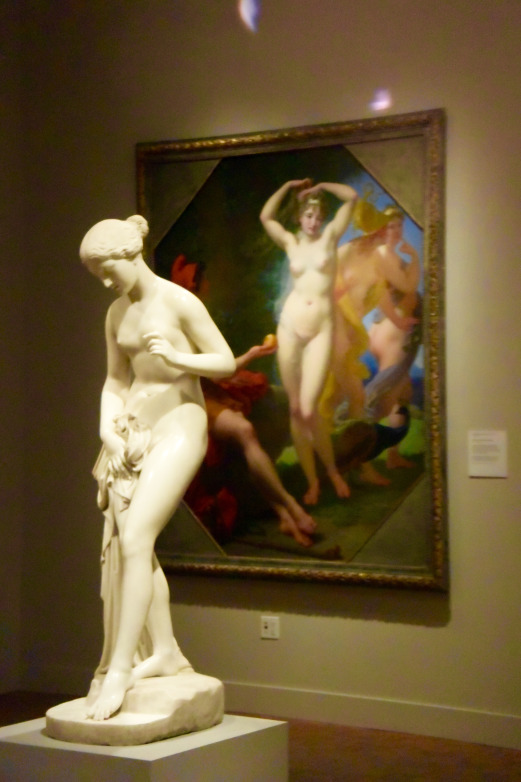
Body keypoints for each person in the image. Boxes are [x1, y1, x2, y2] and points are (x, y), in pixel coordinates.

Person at [80, 215, 236, 721]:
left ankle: (120, 670)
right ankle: (165, 650)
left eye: (108, 270)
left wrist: (177, 357)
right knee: (134, 548)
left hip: (179, 425)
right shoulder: (115, 314)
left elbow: (225, 361)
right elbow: (114, 381)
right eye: (98, 275)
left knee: (135, 539)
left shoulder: (178, 301)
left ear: (129, 254)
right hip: (131, 433)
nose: (106, 282)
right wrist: (107, 430)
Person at [170, 254, 316, 546]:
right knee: (244, 430)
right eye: (205, 280)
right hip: (188, 397)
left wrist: (251, 354)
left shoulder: (196, 316)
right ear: (195, 284)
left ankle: (285, 515)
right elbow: (207, 370)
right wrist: (247, 358)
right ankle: (290, 506)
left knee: (249, 431)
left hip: (206, 389)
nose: (210, 285)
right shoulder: (179, 323)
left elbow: (216, 367)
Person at [260, 179, 357, 505]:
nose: (314, 222)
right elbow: (266, 217)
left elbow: (351, 197)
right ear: (299, 217)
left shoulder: (330, 237)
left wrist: (324, 186)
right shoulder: (290, 242)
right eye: (308, 216)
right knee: (295, 409)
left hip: (320, 330)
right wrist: (287, 186)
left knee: (307, 407)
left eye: (318, 216)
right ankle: (312, 482)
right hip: (290, 326)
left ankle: (332, 471)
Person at [321, 201, 421, 477]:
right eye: (384, 228)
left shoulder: (379, 260)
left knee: (352, 397)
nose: (388, 233)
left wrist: (398, 320)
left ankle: (352, 463)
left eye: (394, 228)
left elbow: (389, 292)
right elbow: (325, 284)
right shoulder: (350, 251)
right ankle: (355, 466)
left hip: (353, 335)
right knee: (357, 397)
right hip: (337, 331)